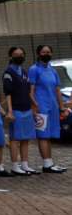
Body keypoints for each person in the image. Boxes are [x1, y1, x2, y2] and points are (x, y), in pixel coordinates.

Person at [29, 44, 69, 174]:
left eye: (48, 52)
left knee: (50, 135)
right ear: (38, 53)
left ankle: (50, 163)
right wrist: (35, 105)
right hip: (41, 108)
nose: (46, 54)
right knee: (43, 136)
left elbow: (57, 89)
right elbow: (31, 90)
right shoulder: (34, 69)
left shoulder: (52, 70)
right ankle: (46, 164)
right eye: (43, 52)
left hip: (53, 107)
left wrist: (62, 106)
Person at [2, 46, 39, 176]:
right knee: (15, 139)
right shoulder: (8, 72)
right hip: (16, 110)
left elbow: (28, 91)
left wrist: (34, 104)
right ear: (10, 56)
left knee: (26, 138)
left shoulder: (24, 71)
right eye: (16, 54)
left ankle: (25, 164)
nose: (20, 56)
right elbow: (8, 93)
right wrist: (10, 111)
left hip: (27, 109)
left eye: (22, 54)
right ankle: (15, 165)